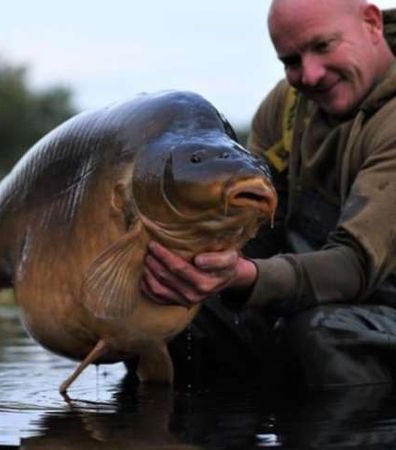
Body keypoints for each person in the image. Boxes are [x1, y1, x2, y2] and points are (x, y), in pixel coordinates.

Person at [141, 0, 396, 388]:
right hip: (319, 294)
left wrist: (244, 276)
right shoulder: (286, 105)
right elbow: (254, 232)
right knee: (179, 315)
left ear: (371, 23)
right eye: (291, 60)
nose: (309, 75)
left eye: (324, 46)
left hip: (367, 298)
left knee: (324, 335)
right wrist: (196, 269)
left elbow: (355, 265)